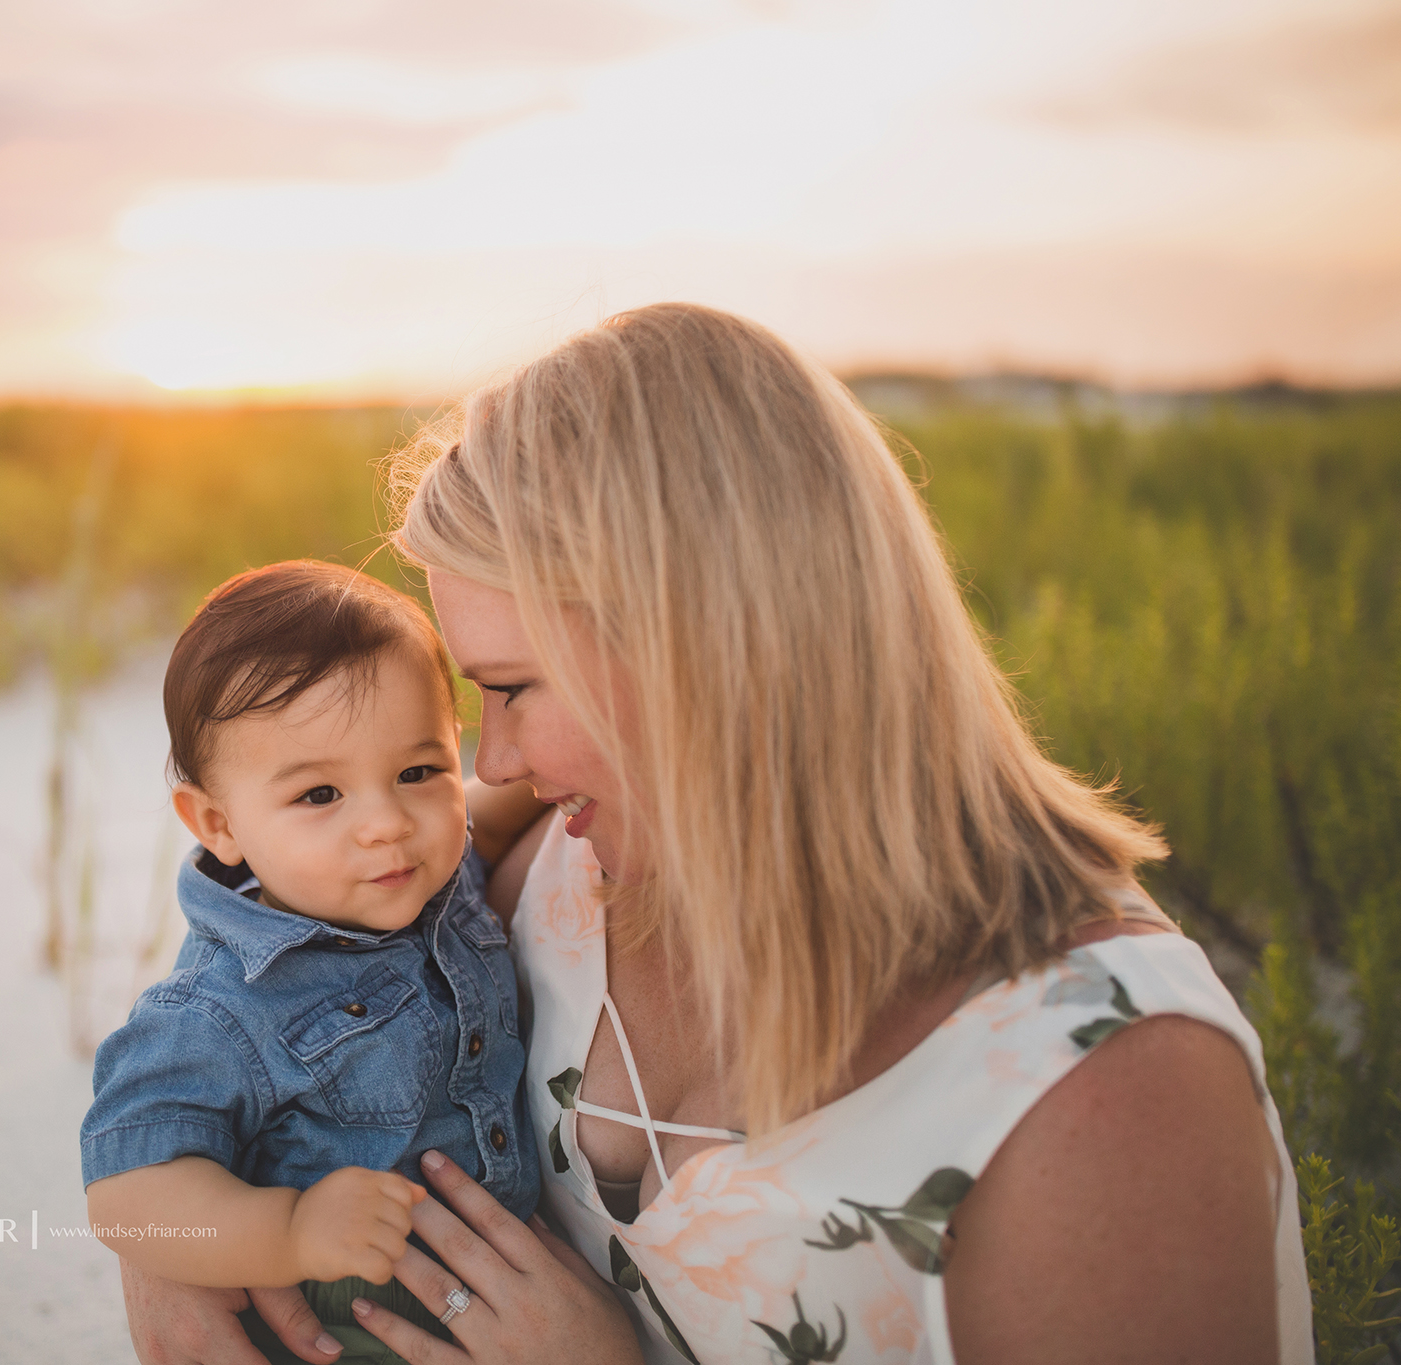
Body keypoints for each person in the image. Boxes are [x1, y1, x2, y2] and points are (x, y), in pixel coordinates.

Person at [117, 304, 1314, 1365]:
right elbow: (274, 940)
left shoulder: (1097, 1090)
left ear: (709, 660)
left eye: (515, 689)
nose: (496, 763)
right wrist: (183, 1228)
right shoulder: (550, 855)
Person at [81, 560, 539, 1365]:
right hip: (348, 1322)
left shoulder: (432, 875)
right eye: (321, 795)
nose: (387, 824)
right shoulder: (218, 1008)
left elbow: (491, 820)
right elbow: (128, 1197)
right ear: (218, 822)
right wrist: (285, 1232)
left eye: (417, 771)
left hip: (498, 1308)